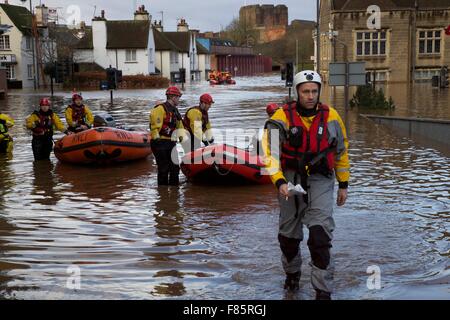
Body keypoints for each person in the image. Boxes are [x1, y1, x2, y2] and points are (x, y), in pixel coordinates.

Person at [262, 70, 350, 300]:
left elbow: (341, 152)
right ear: (297, 92)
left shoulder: (332, 117)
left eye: (314, 91)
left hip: (321, 178)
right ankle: (292, 275)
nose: (310, 96)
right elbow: (270, 154)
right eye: (305, 92)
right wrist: (279, 180)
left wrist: (344, 184)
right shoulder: (280, 118)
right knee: (288, 238)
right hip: (290, 178)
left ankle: (322, 290)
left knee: (320, 236)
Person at [149, 86, 185, 186]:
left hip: (171, 142)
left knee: (175, 168)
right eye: (178, 97)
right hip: (160, 142)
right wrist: (157, 140)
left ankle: (174, 192)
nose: (179, 100)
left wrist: (184, 141)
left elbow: (180, 128)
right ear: (173, 97)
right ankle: (162, 192)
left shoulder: (175, 111)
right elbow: (155, 127)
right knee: (163, 168)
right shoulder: (160, 109)